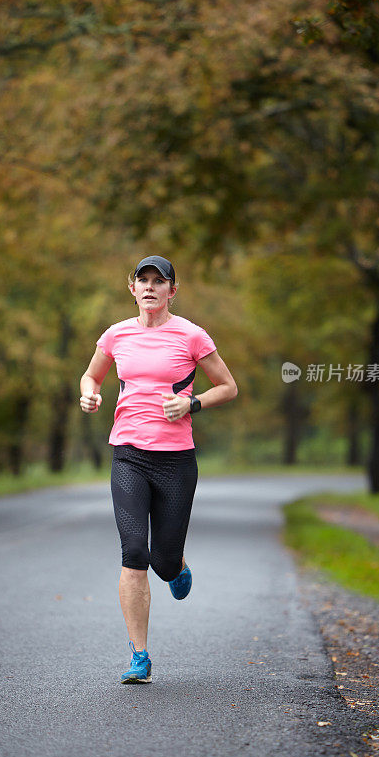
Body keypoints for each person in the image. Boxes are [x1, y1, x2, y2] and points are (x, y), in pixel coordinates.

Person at [79, 255, 238, 683]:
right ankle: (139, 656)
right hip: (128, 455)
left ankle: (178, 565)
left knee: (163, 564)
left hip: (175, 462)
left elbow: (228, 386)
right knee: (134, 553)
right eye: (142, 280)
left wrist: (192, 403)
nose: (150, 287)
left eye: (159, 281)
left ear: (172, 290)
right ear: (132, 288)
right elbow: (91, 376)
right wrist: (89, 394)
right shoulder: (116, 334)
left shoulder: (191, 335)